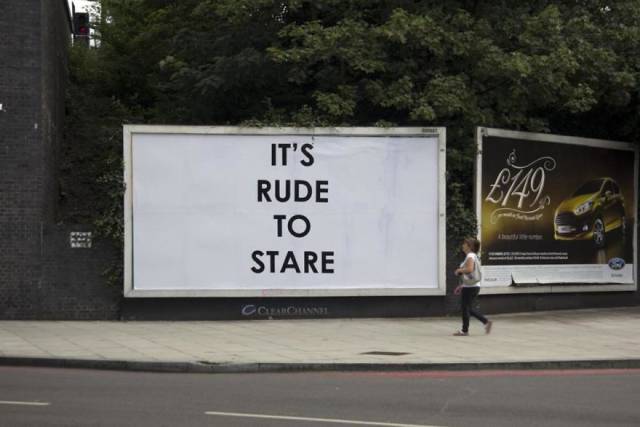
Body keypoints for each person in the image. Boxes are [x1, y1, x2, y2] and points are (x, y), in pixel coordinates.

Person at [453, 237, 492, 336]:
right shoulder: (473, 256)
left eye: (464, 244)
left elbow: (470, 269)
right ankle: (467, 329)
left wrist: (459, 270)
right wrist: (462, 285)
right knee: (466, 308)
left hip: (470, 287)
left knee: (466, 308)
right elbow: (470, 274)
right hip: (471, 286)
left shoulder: (470, 255)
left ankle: (483, 323)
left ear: (469, 246)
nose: (463, 245)